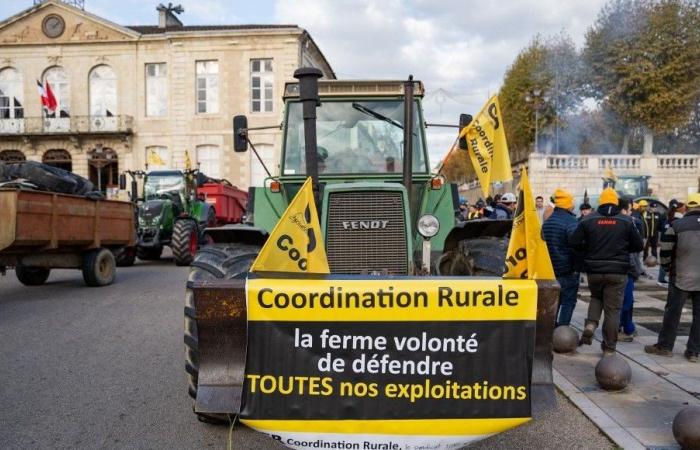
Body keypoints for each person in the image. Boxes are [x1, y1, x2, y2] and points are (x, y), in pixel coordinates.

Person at [569, 188, 644, 354]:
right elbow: (638, 245)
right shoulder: (626, 220)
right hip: (617, 270)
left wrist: (588, 248)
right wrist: (624, 247)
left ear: (600, 202)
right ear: (616, 202)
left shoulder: (588, 219)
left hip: (594, 270)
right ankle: (609, 348)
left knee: (596, 297)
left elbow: (574, 242)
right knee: (613, 310)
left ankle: (590, 324)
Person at [644, 193, 700, 363]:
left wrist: (667, 268)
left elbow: (666, 251)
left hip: (680, 276)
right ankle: (694, 351)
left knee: (672, 313)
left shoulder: (677, 225)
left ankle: (665, 346)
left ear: (687, 207)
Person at [541, 188, 579, 326]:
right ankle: (562, 331)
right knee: (568, 301)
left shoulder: (548, 221)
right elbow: (576, 246)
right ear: (568, 205)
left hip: (550, 270)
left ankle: (551, 329)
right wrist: (576, 267)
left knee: (554, 301)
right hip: (567, 270)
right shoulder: (571, 222)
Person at [618, 197, 644, 342]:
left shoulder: (634, 222)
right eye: (629, 208)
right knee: (626, 301)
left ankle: (627, 326)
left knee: (626, 301)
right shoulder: (630, 223)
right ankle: (622, 327)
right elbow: (636, 248)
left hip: (622, 268)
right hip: (626, 268)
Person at [657, 199, 686, 286]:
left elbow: (659, 229)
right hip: (674, 250)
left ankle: (662, 277)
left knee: (665, 258)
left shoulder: (668, 218)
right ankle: (662, 278)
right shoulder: (679, 222)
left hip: (665, 241)